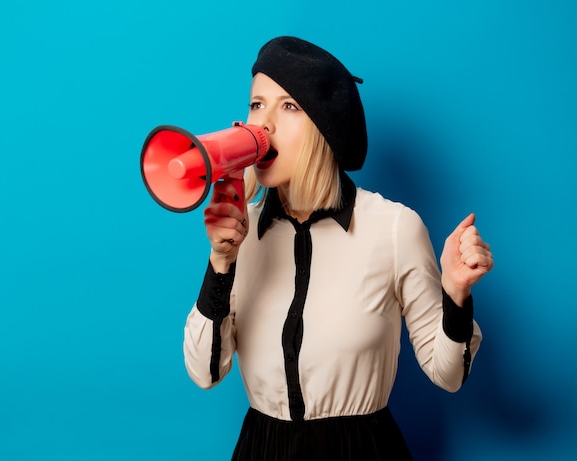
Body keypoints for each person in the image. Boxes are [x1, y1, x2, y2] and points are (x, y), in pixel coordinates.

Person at [182, 36, 493, 460]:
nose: (264, 125)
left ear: (324, 125)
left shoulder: (393, 228)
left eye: (289, 106)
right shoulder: (240, 230)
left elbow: (448, 374)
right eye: (257, 104)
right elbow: (204, 372)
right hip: (262, 448)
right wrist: (220, 263)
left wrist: (456, 294)